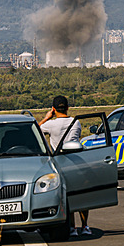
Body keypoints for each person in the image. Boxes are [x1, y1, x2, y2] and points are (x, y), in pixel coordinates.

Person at [39, 95, 91, 237]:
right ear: (68, 108)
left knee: (66, 196)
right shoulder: (76, 123)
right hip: (76, 160)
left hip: (60, 163)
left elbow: (35, 131)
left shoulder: (50, 125)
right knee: (81, 194)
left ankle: (72, 228)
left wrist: (46, 118)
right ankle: (85, 226)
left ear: (54, 109)